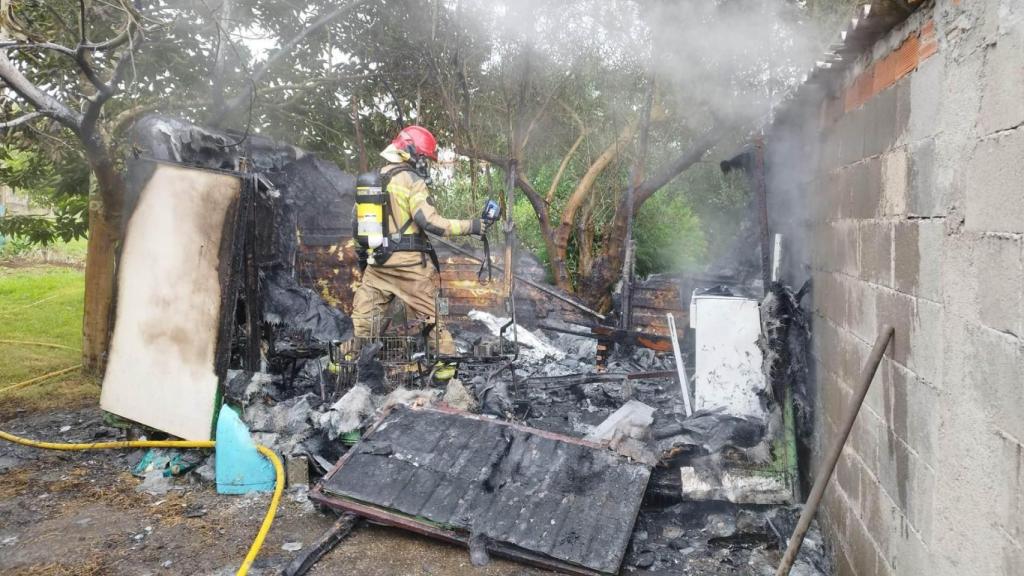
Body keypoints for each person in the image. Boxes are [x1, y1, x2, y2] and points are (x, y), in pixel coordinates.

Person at [350, 126, 486, 379]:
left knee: (363, 324)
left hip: (377, 265)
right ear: (411, 153)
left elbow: (357, 227)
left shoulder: (372, 180)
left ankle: (340, 370)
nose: (425, 163)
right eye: (423, 157)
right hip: (411, 267)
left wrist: (365, 262)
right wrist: (473, 226)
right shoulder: (412, 181)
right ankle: (446, 375)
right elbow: (432, 223)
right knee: (432, 321)